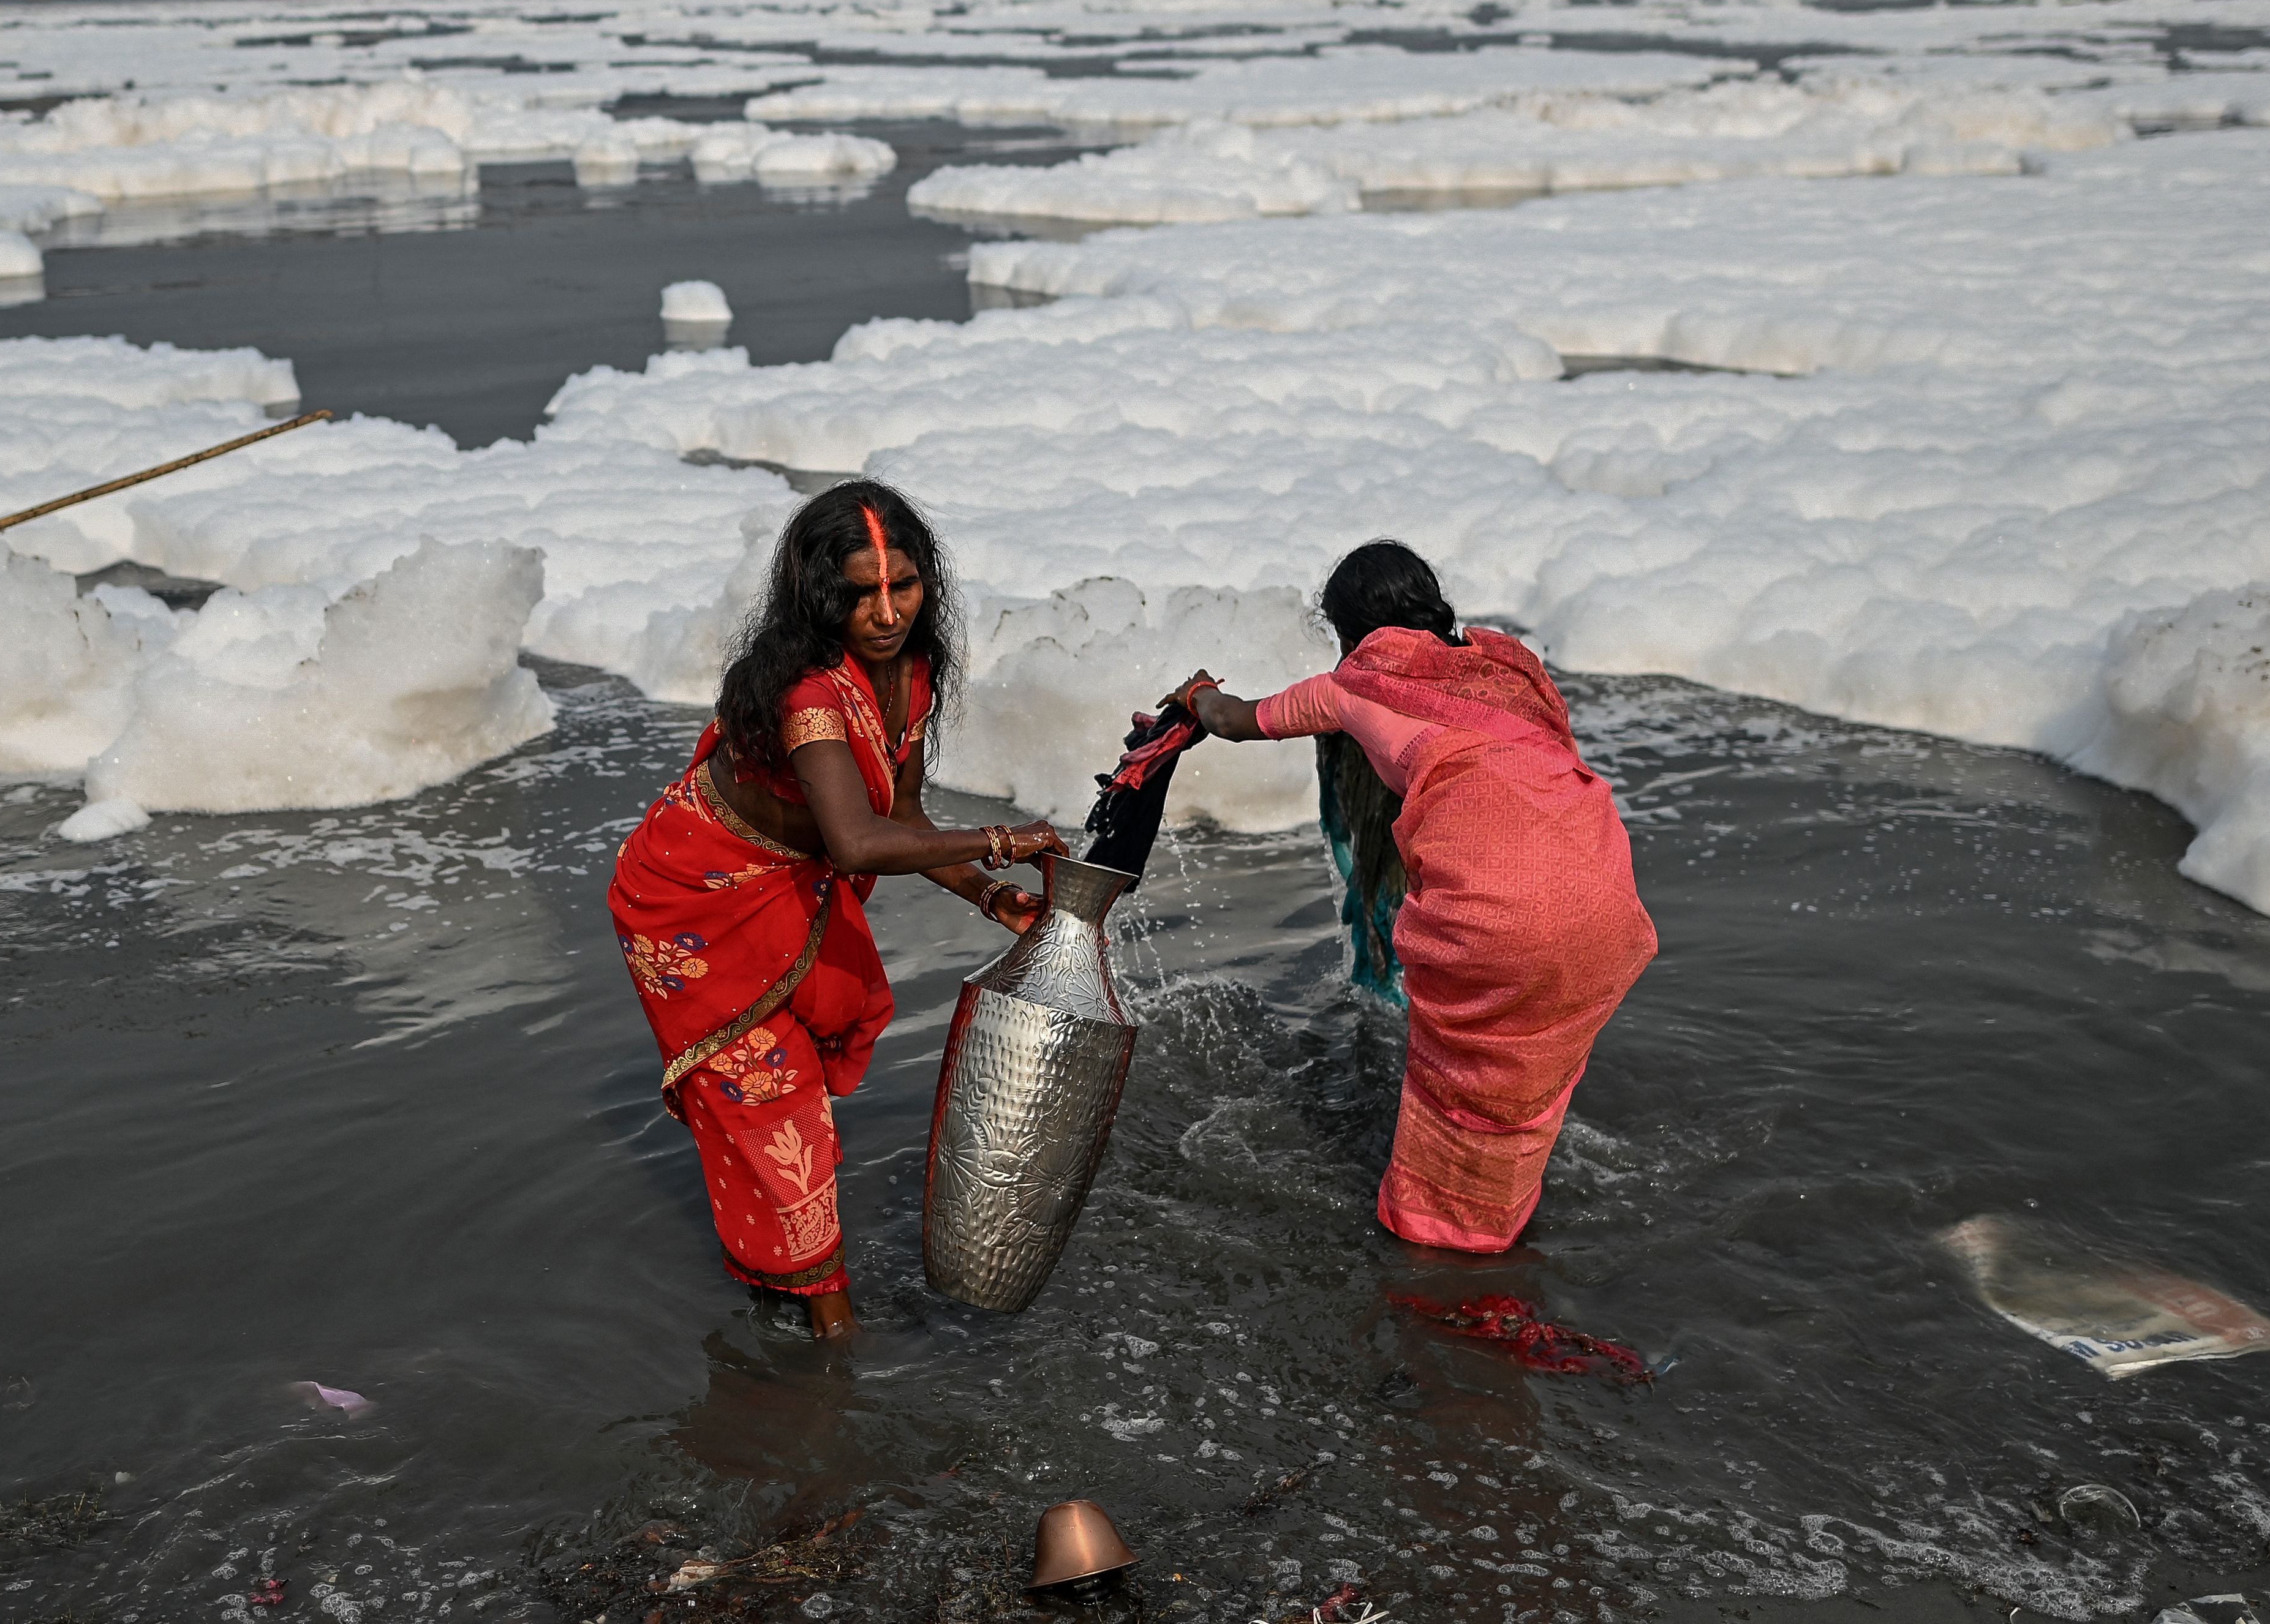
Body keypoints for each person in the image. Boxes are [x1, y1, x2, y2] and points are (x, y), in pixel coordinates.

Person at [608, 481, 1061, 1340]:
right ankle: (833, 1335)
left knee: (796, 1086)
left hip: (785, 889)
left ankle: (783, 1277)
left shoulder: (912, 672)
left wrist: (992, 896)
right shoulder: (807, 693)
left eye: (904, 585)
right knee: (777, 1114)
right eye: (860, 592)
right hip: (689, 906)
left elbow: (903, 822)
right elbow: (855, 844)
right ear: (820, 593)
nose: (886, 612)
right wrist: (1000, 838)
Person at [1164, 541, 1656, 1254]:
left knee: (1454, 1091)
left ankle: (1443, 1271)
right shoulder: (1505, 666)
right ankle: (1503, 1245)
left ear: (1347, 630)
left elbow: (1235, 721)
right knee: (1523, 1096)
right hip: (1606, 896)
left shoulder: (1356, 685)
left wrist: (1197, 693)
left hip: (1493, 913)